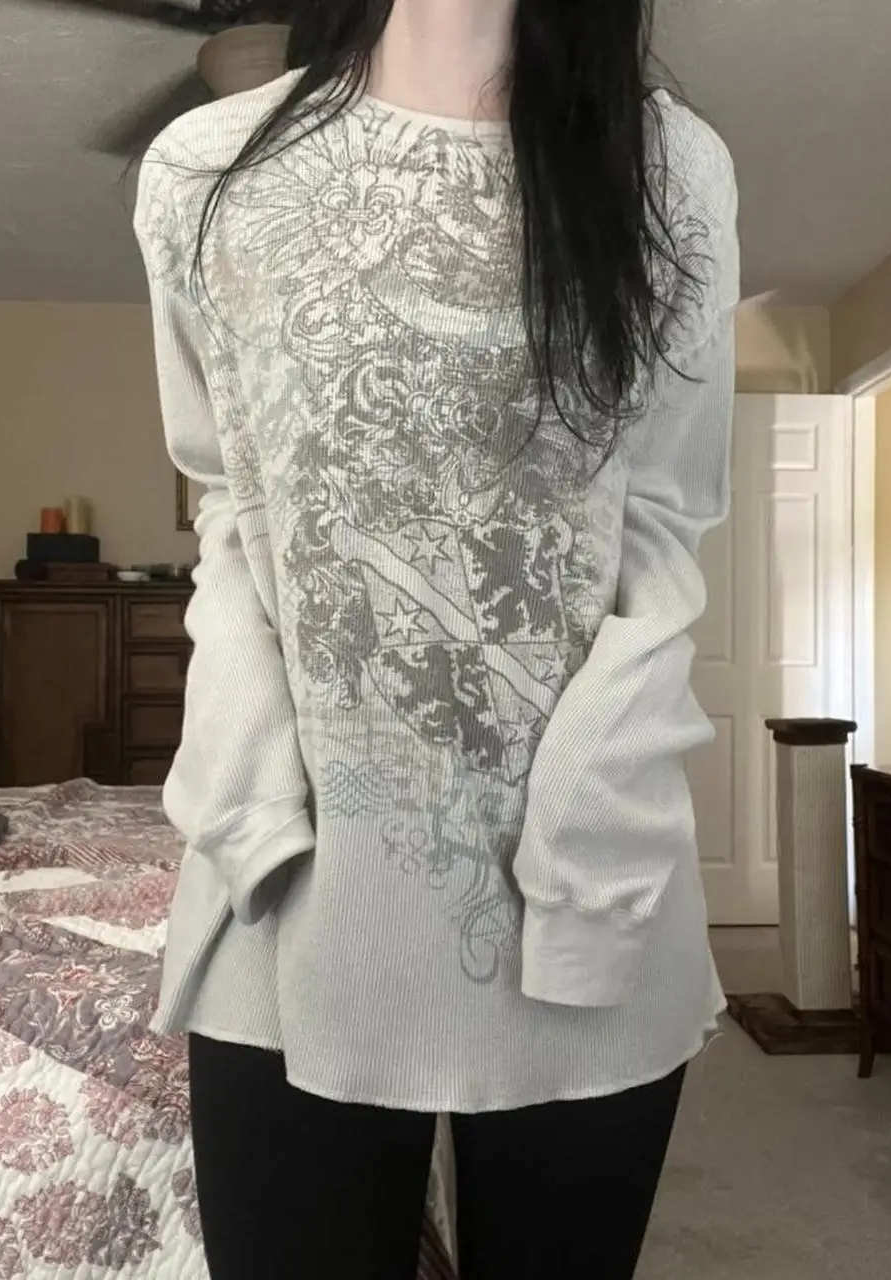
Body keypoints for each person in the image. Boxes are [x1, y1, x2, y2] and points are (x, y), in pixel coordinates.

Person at [133, 0, 739, 1276]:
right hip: (292, 903)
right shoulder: (205, 168)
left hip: (589, 887)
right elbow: (231, 500)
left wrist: (584, 842)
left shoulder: (669, 165)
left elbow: (664, 518)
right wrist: (248, 805)